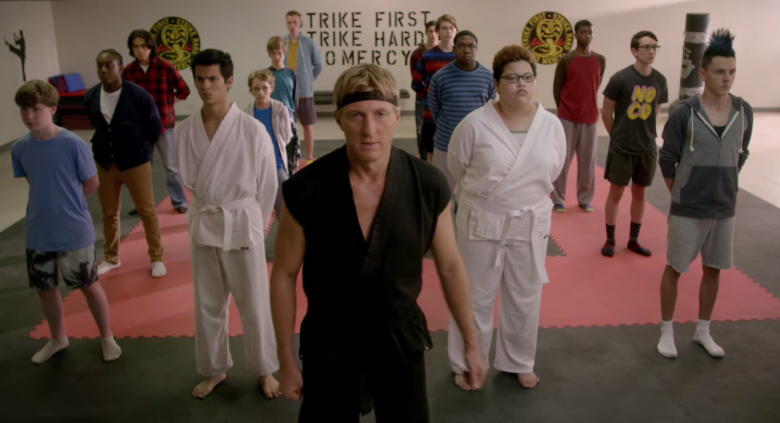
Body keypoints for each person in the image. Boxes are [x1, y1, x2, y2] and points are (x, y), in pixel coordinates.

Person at [271, 64, 486, 422]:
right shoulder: (306, 189)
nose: (369, 129)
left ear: (397, 116)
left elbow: (450, 265)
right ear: (339, 119)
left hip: (400, 336)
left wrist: (472, 343)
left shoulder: (428, 184)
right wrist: (286, 359)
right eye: (356, 115)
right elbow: (284, 274)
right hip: (329, 340)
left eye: (380, 114)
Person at [447, 45, 566, 390]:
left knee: (525, 295)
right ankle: (468, 361)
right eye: (512, 78)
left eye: (527, 77)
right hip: (483, 219)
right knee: (475, 296)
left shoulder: (551, 125)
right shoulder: (474, 124)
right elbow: (457, 167)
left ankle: (519, 360)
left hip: (529, 221)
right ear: (497, 84)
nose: (521, 84)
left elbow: (554, 169)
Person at [174, 49, 280, 399]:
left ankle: (265, 369)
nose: (205, 86)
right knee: (208, 304)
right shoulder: (185, 130)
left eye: (213, 79)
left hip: (242, 223)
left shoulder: (252, 129)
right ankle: (214, 369)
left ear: (229, 81)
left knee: (254, 304)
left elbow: (268, 184)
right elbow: (190, 179)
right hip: (205, 221)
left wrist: (258, 223)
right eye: (199, 79)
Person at [656, 29, 751, 359]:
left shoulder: (744, 111)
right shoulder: (684, 112)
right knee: (675, 268)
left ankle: (703, 331)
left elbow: (741, 153)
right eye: (720, 72)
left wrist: (727, 184)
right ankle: (666, 331)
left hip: (724, 208)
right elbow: (667, 159)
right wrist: (683, 192)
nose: (727, 79)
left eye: (732, 72)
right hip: (688, 208)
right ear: (703, 73)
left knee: (714, 270)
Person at [12, 80, 122, 364]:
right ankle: (58, 338)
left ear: (52, 108)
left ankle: (107, 337)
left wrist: (67, 205)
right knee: (45, 288)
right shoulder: (20, 148)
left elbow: (92, 182)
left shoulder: (74, 144)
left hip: (74, 230)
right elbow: (34, 182)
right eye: (24, 109)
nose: (29, 116)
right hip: (37, 231)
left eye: (36, 109)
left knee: (89, 286)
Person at [84, 49, 167, 278]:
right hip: (104, 162)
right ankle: (112, 257)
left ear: (120, 68)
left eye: (108, 65)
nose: (103, 70)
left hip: (135, 161)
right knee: (109, 213)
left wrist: (141, 149)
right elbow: (95, 123)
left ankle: (156, 257)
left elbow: (154, 126)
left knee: (147, 211)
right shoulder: (92, 95)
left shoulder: (139, 95)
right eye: (100, 65)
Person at [601, 31, 668, 257]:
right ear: (634, 51)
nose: (651, 51)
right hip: (622, 147)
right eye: (646, 47)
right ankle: (610, 239)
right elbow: (606, 113)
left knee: (640, 194)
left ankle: (634, 239)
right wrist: (618, 137)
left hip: (647, 148)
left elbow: (655, 112)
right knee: (616, 193)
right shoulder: (620, 79)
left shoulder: (660, 80)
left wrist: (645, 135)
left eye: (655, 47)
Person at [123, 29, 191, 215]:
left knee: (171, 167)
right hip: (139, 129)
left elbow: (184, 90)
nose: (140, 50)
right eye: (136, 46)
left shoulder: (165, 67)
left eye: (143, 46)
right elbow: (124, 97)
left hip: (163, 126)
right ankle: (143, 204)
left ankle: (179, 201)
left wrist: (169, 102)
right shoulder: (128, 71)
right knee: (142, 169)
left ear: (150, 47)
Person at [428, 30, 495, 193]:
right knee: (444, 191)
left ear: (476, 49)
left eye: (471, 46)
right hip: (445, 144)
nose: (466, 50)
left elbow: (490, 109)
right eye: (461, 46)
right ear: (454, 48)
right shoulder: (440, 77)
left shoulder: (488, 77)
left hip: (477, 144)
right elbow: (434, 108)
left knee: (474, 192)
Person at [551, 20, 606, 213]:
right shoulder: (566, 60)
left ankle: (585, 199)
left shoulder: (600, 60)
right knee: (562, 160)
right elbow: (557, 88)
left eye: (590, 32)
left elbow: (595, 85)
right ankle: (558, 198)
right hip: (567, 117)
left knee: (588, 162)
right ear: (576, 35)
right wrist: (565, 109)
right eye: (583, 32)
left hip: (590, 117)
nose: (587, 35)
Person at [243, 70, 293, 219]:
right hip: (255, 166)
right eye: (256, 89)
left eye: (264, 88)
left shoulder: (281, 109)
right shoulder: (246, 113)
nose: (260, 92)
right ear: (250, 91)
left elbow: (286, 136)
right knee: (256, 206)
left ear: (271, 88)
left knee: (283, 204)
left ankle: (283, 230)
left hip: (277, 163)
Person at [412, 14, 458, 162]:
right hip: (432, 116)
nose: (448, 31)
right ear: (438, 31)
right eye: (444, 28)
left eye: (451, 28)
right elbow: (416, 83)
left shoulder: (460, 57)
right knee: (431, 156)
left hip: (456, 116)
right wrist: (429, 96)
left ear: (456, 31)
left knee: (457, 154)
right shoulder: (428, 57)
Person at [284, 10, 323, 163]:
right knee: (288, 127)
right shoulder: (283, 42)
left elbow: (319, 65)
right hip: (287, 92)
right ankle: (291, 157)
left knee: (307, 126)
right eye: (289, 22)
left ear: (300, 23)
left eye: (295, 22)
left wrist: (308, 80)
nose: (292, 25)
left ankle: (310, 157)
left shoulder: (308, 43)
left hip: (305, 92)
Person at [266, 36, 300, 175]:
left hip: (287, 117)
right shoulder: (266, 74)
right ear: (269, 54)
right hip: (270, 117)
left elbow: (295, 98)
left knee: (289, 153)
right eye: (273, 53)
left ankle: (290, 179)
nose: (276, 57)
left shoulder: (291, 74)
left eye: (279, 53)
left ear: (284, 53)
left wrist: (293, 118)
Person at [410, 21, 439, 158]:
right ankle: (423, 160)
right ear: (426, 33)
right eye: (430, 31)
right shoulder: (417, 54)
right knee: (421, 129)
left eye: (435, 31)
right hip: (423, 98)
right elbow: (416, 78)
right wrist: (425, 94)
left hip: (440, 99)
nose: (433, 34)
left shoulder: (445, 53)